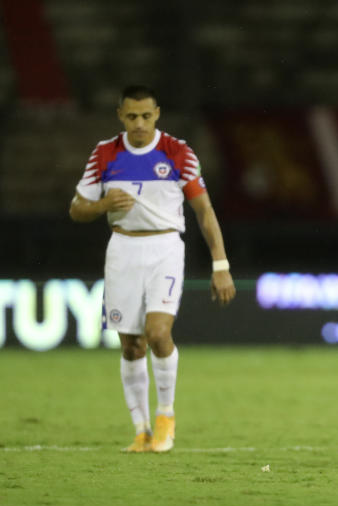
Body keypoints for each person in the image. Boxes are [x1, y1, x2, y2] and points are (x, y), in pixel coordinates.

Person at [69, 85, 236, 453]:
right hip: (123, 248)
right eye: (132, 116)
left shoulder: (177, 153)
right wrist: (102, 205)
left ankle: (165, 416)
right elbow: (76, 209)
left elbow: (204, 212)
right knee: (131, 346)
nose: (140, 123)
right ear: (120, 115)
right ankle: (141, 430)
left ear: (157, 114)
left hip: (164, 248)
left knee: (158, 332)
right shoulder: (104, 154)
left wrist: (220, 264)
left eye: (146, 116)